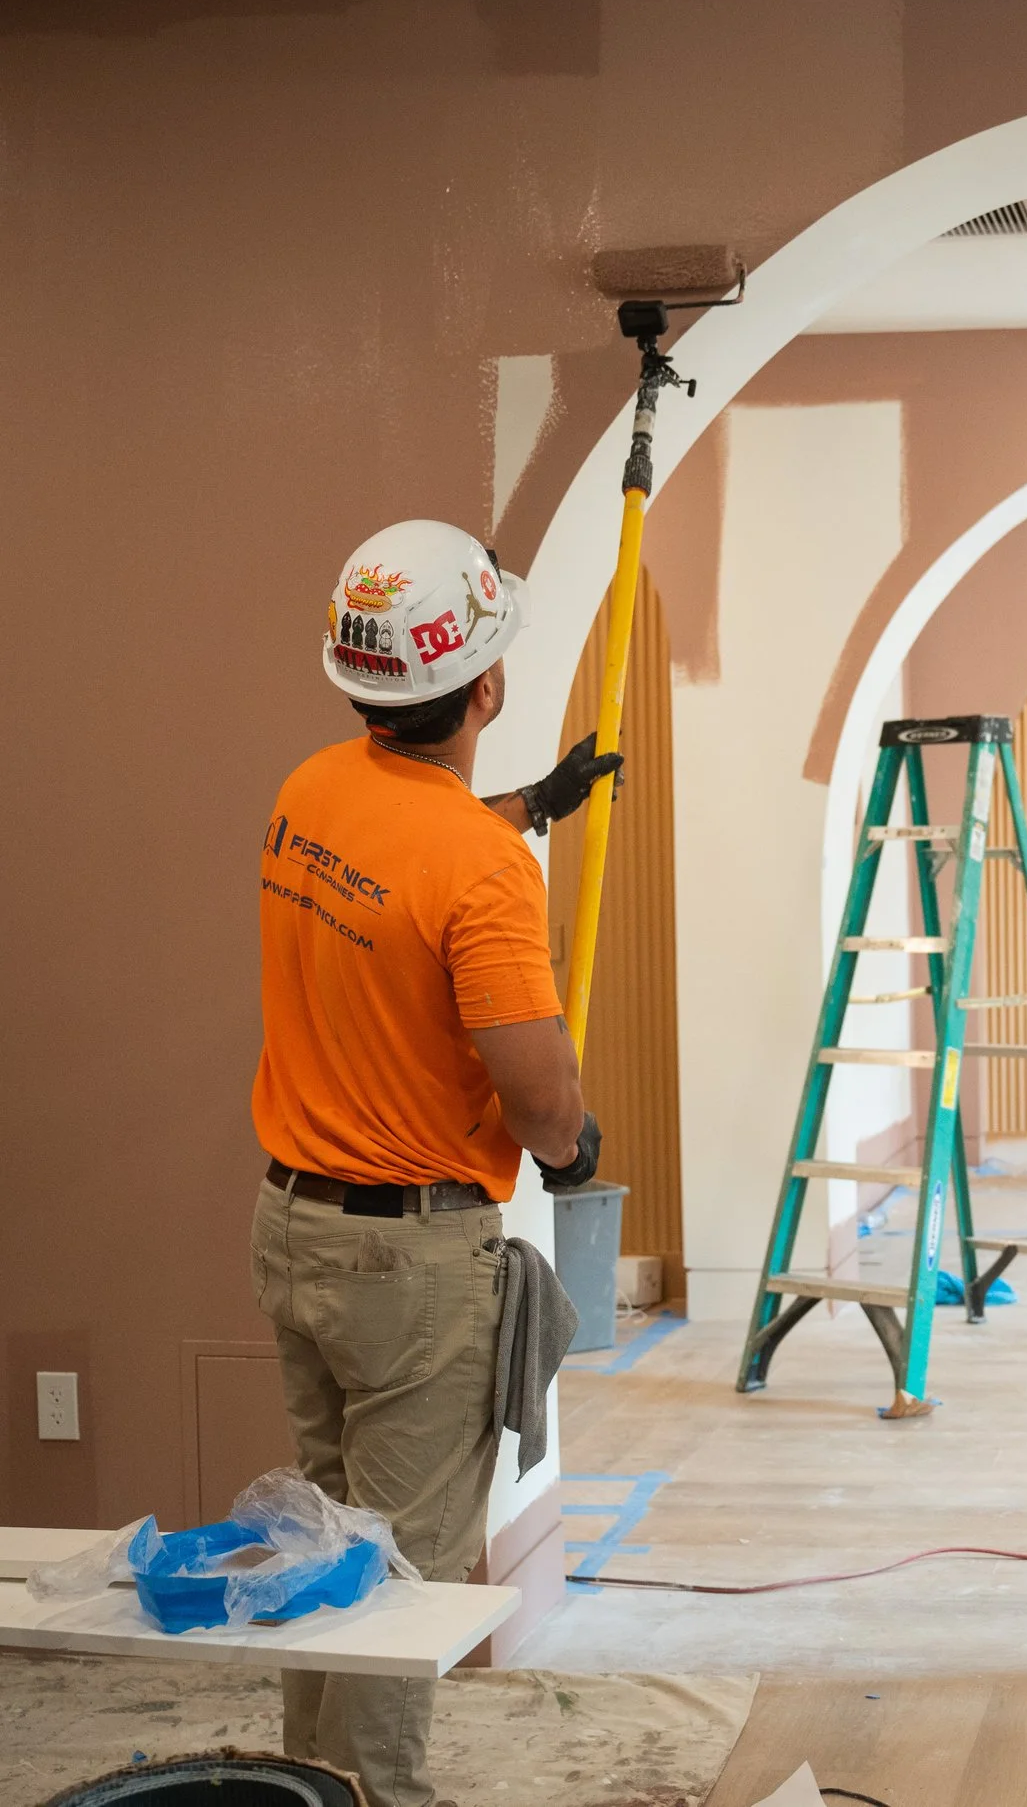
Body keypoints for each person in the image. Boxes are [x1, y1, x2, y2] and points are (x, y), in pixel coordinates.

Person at [251, 519, 619, 1807]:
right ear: (488, 684)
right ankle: (375, 1797)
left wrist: (530, 810)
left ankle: (307, 1785)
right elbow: (538, 1094)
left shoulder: (309, 792)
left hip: (294, 1231)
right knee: (399, 1579)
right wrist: (573, 1146)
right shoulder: (480, 872)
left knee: (326, 1550)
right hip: (407, 1268)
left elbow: (397, 868)